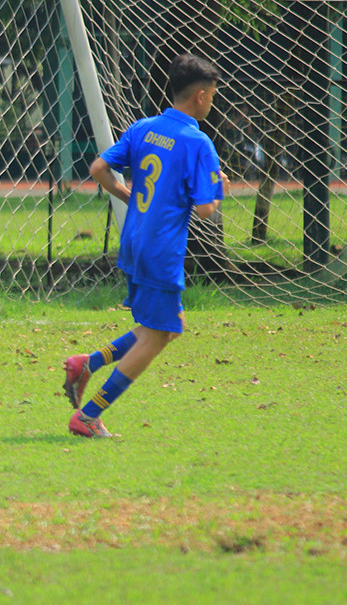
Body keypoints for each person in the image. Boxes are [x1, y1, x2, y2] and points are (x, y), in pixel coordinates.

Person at [62, 54, 228, 437]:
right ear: (201, 96)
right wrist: (219, 184)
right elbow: (205, 210)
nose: (212, 102)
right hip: (161, 249)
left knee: (169, 326)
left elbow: (98, 168)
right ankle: (87, 416)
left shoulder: (144, 128)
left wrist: (127, 196)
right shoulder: (198, 141)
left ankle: (86, 363)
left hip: (135, 240)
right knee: (157, 335)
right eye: (214, 95)